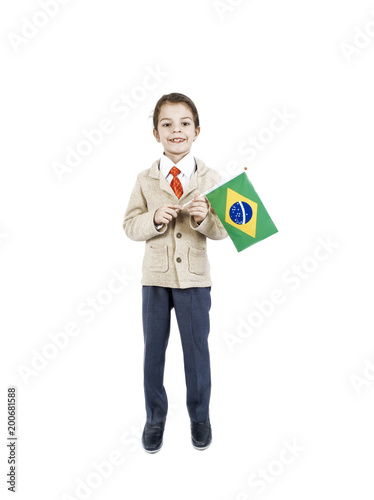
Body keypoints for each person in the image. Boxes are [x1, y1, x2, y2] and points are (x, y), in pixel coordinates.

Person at [123, 92, 227, 453]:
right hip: (155, 278)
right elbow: (129, 225)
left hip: (195, 280)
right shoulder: (145, 179)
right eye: (166, 124)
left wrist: (203, 217)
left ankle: (200, 417)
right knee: (154, 351)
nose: (176, 130)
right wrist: (152, 219)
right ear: (156, 133)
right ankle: (155, 418)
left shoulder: (212, 178)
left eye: (184, 123)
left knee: (197, 351)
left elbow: (225, 229)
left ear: (196, 130)